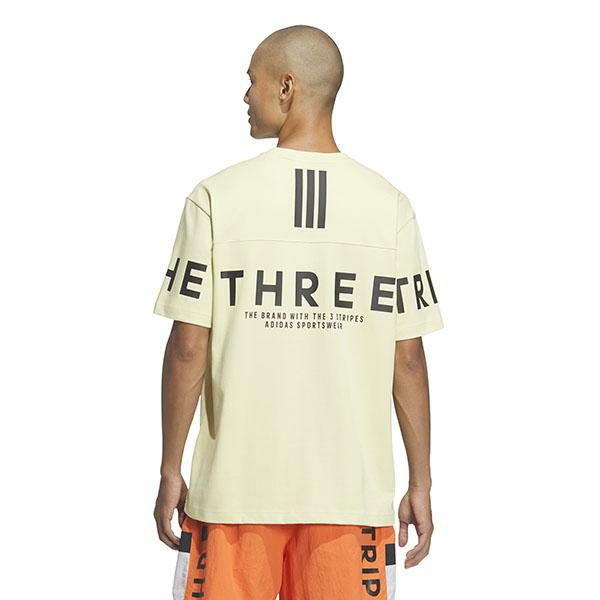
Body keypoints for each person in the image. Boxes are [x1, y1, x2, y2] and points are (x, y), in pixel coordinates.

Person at [152, 24, 444, 600]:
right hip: (350, 498)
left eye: (252, 80)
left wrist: (168, 469)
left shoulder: (215, 199)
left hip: (233, 495)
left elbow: (188, 346)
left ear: (286, 87)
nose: (245, 95)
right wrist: (421, 482)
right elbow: (407, 358)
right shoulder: (389, 208)